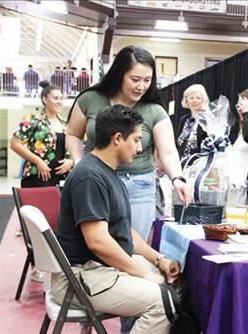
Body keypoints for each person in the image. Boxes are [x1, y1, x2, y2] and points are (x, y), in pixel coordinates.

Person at [52, 105, 180, 334]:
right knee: (165, 302)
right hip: (81, 277)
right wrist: (144, 275)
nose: (140, 148)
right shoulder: (90, 177)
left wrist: (158, 259)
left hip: (96, 269)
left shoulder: (106, 172)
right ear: (118, 138)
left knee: (176, 282)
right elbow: (98, 242)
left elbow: (124, 232)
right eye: (137, 140)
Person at [66, 45, 192, 243]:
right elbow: (73, 134)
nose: (141, 86)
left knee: (131, 246)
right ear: (119, 75)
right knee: (96, 244)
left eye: (147, 80)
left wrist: (178, 178)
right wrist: (78, 161)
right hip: (95, 181)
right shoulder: (90, 99)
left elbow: (167, 151)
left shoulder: (154, 110)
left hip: (138, 184)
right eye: (135, 79)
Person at [10, 80, 73, 188]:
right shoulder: (33, 120)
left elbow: (73, 146)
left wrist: (71, 160)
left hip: (61, 179)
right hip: (37, 178)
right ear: (44, 99)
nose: (60, 101)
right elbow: (15, 144)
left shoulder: (65, 124)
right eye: (55, 98)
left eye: (61, 98)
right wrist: (38, 161)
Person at [176, 84, 210, 161]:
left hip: (200, 164)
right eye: (191, 98)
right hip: (182, 163)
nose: (194, 101)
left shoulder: (207, 119)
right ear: (186, 100)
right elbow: (177, 143)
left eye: (198, 98)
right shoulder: (184, 119)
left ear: (203, 100)